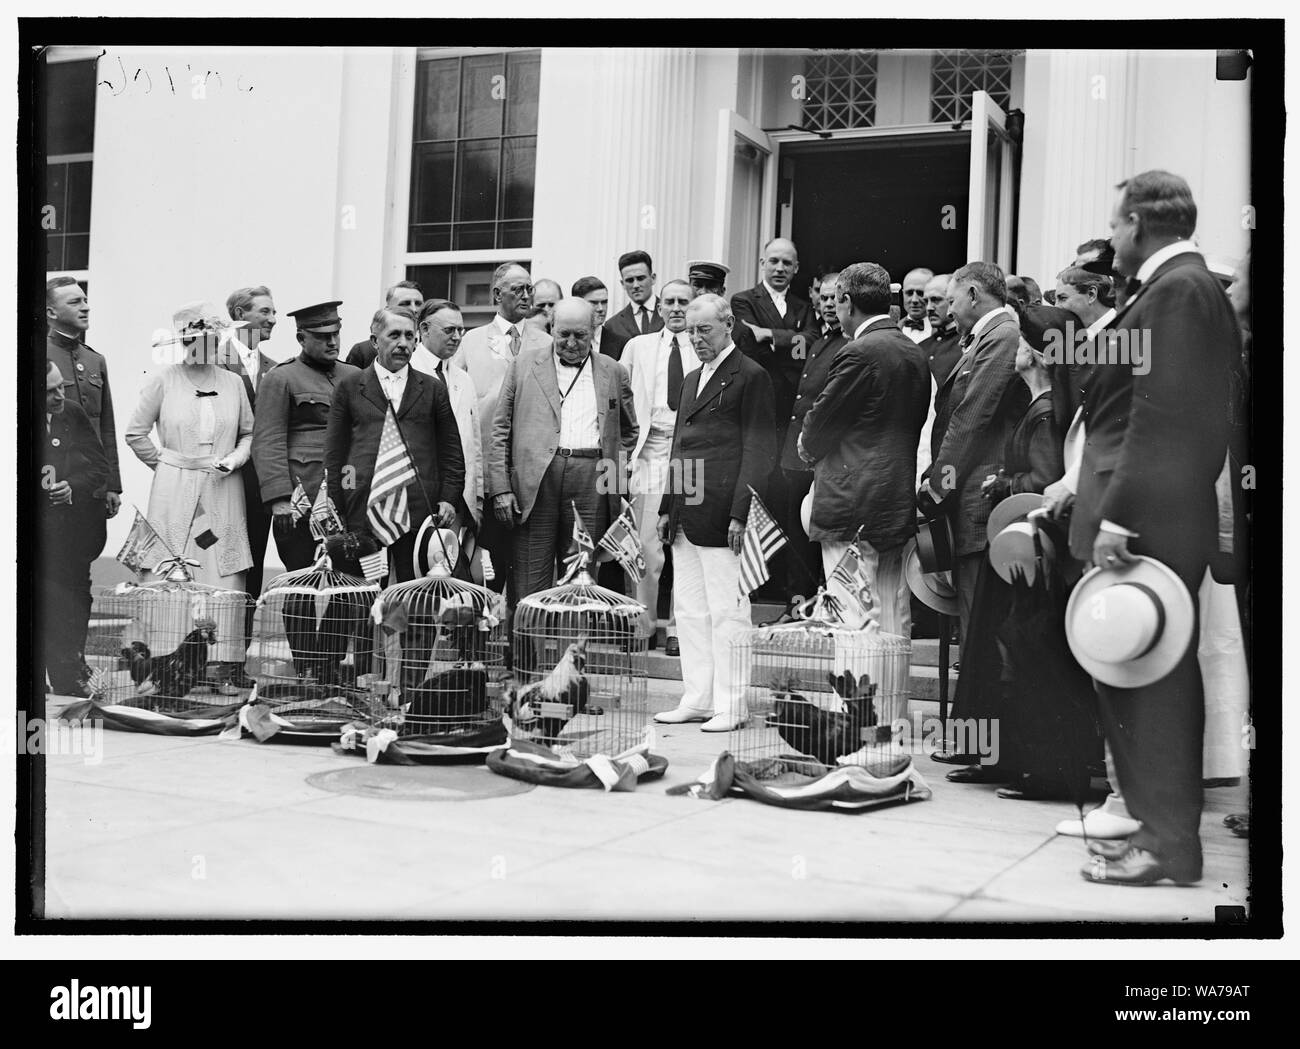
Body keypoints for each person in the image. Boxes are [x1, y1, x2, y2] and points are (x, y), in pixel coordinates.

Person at [1069, 171, 1238, 888]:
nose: (1110, 237)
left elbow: (1160, 416)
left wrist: (1116, 515)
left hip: (1145, 524)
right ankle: (1158, 830)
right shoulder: (1183, 290)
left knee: (1148, 684)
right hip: (1155, 515)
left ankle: (1167, 842)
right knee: (1140, 679)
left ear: (1140, 222)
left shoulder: (1176, 293)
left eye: (1115, 223)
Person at [654, 294, 775, 732]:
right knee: (688, 610)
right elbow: (678, 447)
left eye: (704, 329)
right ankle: (698, 696)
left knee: (729, 612)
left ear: (728, 325)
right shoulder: (689, 380)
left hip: (725, 514)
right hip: (686, 514)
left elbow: (760, 451)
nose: (696, 338)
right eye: (690, 331)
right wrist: (669, 507)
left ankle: (732, 703)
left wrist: (740, 513)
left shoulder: (751, 376)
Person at [799, 262, 930, 639]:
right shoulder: (913, 351)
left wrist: (806, 447)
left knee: (851, 614)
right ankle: (888, 701)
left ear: (846, 300)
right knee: (892, 611)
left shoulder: (859, 352)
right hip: (895, 501)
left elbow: (819, 426)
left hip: (850, 504)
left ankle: (854, 701)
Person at [125, 302, 255, 681]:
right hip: (174, 489)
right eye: (195, 339)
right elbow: (135, 433)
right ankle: (164, 657)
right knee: (171, 562)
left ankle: (221, 662)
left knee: (220, 561)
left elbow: (249, 432)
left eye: (211, 338)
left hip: (222, 487)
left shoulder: (232, 382)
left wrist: (234, 459)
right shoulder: (163, 380)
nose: (204, 345)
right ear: (182, 340)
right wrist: (167, 467)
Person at [487, 298, 637, 604]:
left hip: (590, 480)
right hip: (535, 483)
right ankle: (528, 653)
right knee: (530, 577)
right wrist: (501, 488)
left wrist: (612, 475)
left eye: (580, 336)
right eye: (564, 334)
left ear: (594, 331)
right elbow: (499, 428)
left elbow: (629, 430)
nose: (570, 343)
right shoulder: (523, 365)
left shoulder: (614, 370)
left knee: (580, 577)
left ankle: (571, 651)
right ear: (552, 328)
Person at [919, 262, 1027, 643]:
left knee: (979, 628)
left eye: (951, 300)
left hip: (978, 499)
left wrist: (936, 487)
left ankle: (980, 705)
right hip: (969, 497)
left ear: (973, 295)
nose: (948, 310)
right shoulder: (990, 337)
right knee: (972, 622)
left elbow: (970, 420)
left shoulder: (1001, 336)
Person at [324, 307, 465, 584]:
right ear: (375, 341)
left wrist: (449, 497)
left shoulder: (432, 388)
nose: (403, 343)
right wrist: (344, 497)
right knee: (361, 593)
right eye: (394, 335)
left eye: (409, 336)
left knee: (412, 594)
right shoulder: (350, 386)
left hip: (418, 510)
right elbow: (337, 453)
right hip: (363, 512)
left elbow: (451, 450)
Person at [452, 262, 551, 598]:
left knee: (526, 567)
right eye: (517, 289)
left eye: (529, 288)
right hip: (483, 470)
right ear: (497, 294)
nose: (526, 295)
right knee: (485, 564)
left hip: (529, 470)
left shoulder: (545, 343)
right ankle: (478, 639)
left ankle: (518, 643)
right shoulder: (471, 341)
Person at [730, 237, 820, 603]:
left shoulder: (802, 305)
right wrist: (787, 340)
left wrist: (772, 336)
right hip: (760, 414)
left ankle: (792, 590)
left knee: (790, 499)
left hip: (793, 417)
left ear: (796, 268)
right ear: (761, 262)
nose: (780, 269)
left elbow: (811, 341)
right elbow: (749, 342)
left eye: (787, 263)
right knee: (758, 492)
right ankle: (757, 588)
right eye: (774, 262)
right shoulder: (744, 301)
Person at [252, 301, 361, 571]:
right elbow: (267, 441)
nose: (333, 342)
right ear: (301, 338)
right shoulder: (281, 378)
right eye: (323, 337)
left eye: (336, 334)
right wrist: (278, 499)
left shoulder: (356, 376)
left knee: (349, 588)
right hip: (302, 503)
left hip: (349, 495)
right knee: (301, 588)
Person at [620, 279, 698, 644]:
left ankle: (679, 632)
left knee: (684, 546)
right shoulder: (638, 346)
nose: (677, 307)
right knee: (646, 546)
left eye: (684, 301)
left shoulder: (702, 347)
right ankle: (643, 626)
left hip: (687, 452)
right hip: (648, 452)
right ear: (660, 306)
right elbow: (619, 399)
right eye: (670, 301)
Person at [40, 360, 109, 697]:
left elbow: (99, 466)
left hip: (71, 529)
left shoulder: (72, 413)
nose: (59, 397)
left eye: (60, 388)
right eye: (49, 392)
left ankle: (69, 673)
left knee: (74, 598)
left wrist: (71, 485)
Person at [219, 286, 278, 675]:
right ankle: (206, 657)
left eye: (274, 312)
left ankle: (236, 659)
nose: (273, 319)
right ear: (240, 314)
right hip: (222, 480)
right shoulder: (212, 359)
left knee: (252, 565)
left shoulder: (275, 367)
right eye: (265, 312)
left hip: (259, 485)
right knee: (219, 565)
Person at [780, 272, 846, 606]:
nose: (830, 303)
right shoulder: (817, 339)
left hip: (823, 454)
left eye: (837, 297)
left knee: (822, 531)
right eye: (825, 297)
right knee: (797, 530)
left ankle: (825, 605)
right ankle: (798, 602)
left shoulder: (849, 342)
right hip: (797, 451)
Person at [412, 298, 483, 573]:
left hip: (458, 501)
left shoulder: (462, 379)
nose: (456, 337)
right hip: (419, 500)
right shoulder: (407, 372)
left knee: (451, 581)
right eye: (449, 330)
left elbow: (473, 445)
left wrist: (475, 501)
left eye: (461, 331)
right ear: (425, 329)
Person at [45, 276, 121, 530]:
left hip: (92, 486)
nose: (86, 306)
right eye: (75, 301)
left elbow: (106, 427)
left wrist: (112, 484)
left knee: (86, 555)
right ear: (51, 311)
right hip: (54, 485)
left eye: (86, 300)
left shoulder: (94, 360)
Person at [916, 272, 960, 484]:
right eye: (927, 301)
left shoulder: (966, 346)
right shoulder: (920, 348)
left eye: (936, 300)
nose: (929, 307)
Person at [345, 281, 424, 369]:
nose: (414, 309)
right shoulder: (364, 352)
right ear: (388, 308)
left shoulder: (433, 348)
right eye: (405, 303)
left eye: (418, 304)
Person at [601, 250, 662, 361]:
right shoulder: (613, 325)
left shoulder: (672, 315)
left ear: (653, 278)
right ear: (622, 284)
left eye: (640, 278)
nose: (635, 285)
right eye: (629, 280)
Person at [571, 276, 609, 354]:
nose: (601, 308)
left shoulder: (620, 343)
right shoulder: (564, 339)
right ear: (577, 304)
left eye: (604, 302)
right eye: (594, 303)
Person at [898, 267, 934, 343]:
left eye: (921, 293)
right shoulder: (894, 330)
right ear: (903, 294)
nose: (914, 300)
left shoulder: (942, 330)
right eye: (909, 293)